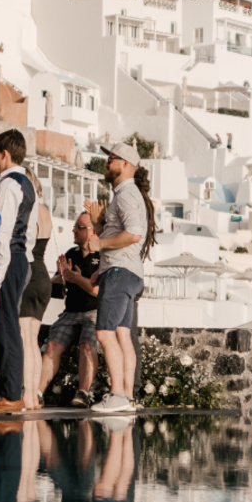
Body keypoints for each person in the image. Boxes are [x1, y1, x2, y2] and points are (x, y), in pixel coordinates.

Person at [84, 143, 158, 415]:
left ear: (125, 163)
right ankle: (126, 397)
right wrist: (101, 266)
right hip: (126, 272)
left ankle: (117, 395)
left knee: (104, 332)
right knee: (123, 335)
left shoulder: (126, 195)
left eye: (111, 158)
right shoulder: (127, 194)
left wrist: (99, 245)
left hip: (119, 273)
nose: (106, 163)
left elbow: (134, 234)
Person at [0, 129, 38, 414]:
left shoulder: (8, 185)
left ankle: (9, 393)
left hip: (8, 259)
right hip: (20, 258)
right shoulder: (26, 182)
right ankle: (4, 391)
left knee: (4, 326)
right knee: (5, 325)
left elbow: (1, 234)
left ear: (4, 153)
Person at [38, 212, 101, 407]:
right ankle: (38, 392)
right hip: (70, 312)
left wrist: (76, 279)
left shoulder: (102, 257)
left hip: (95, 312)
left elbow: (99, 292)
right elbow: (58, 284)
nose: (74, 230)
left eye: (79, 227)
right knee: (52, 346)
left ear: (92, 232)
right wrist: (61, 276)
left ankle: (83, 393)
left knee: (87, 346)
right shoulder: (71, 254)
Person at [18, 167, 52, 411]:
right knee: (34, 339)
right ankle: (34, 396)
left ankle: (27, 395)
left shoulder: (27, 211)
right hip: (43, 275)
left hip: (27, 273)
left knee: (24, 338)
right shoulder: (45, 212)